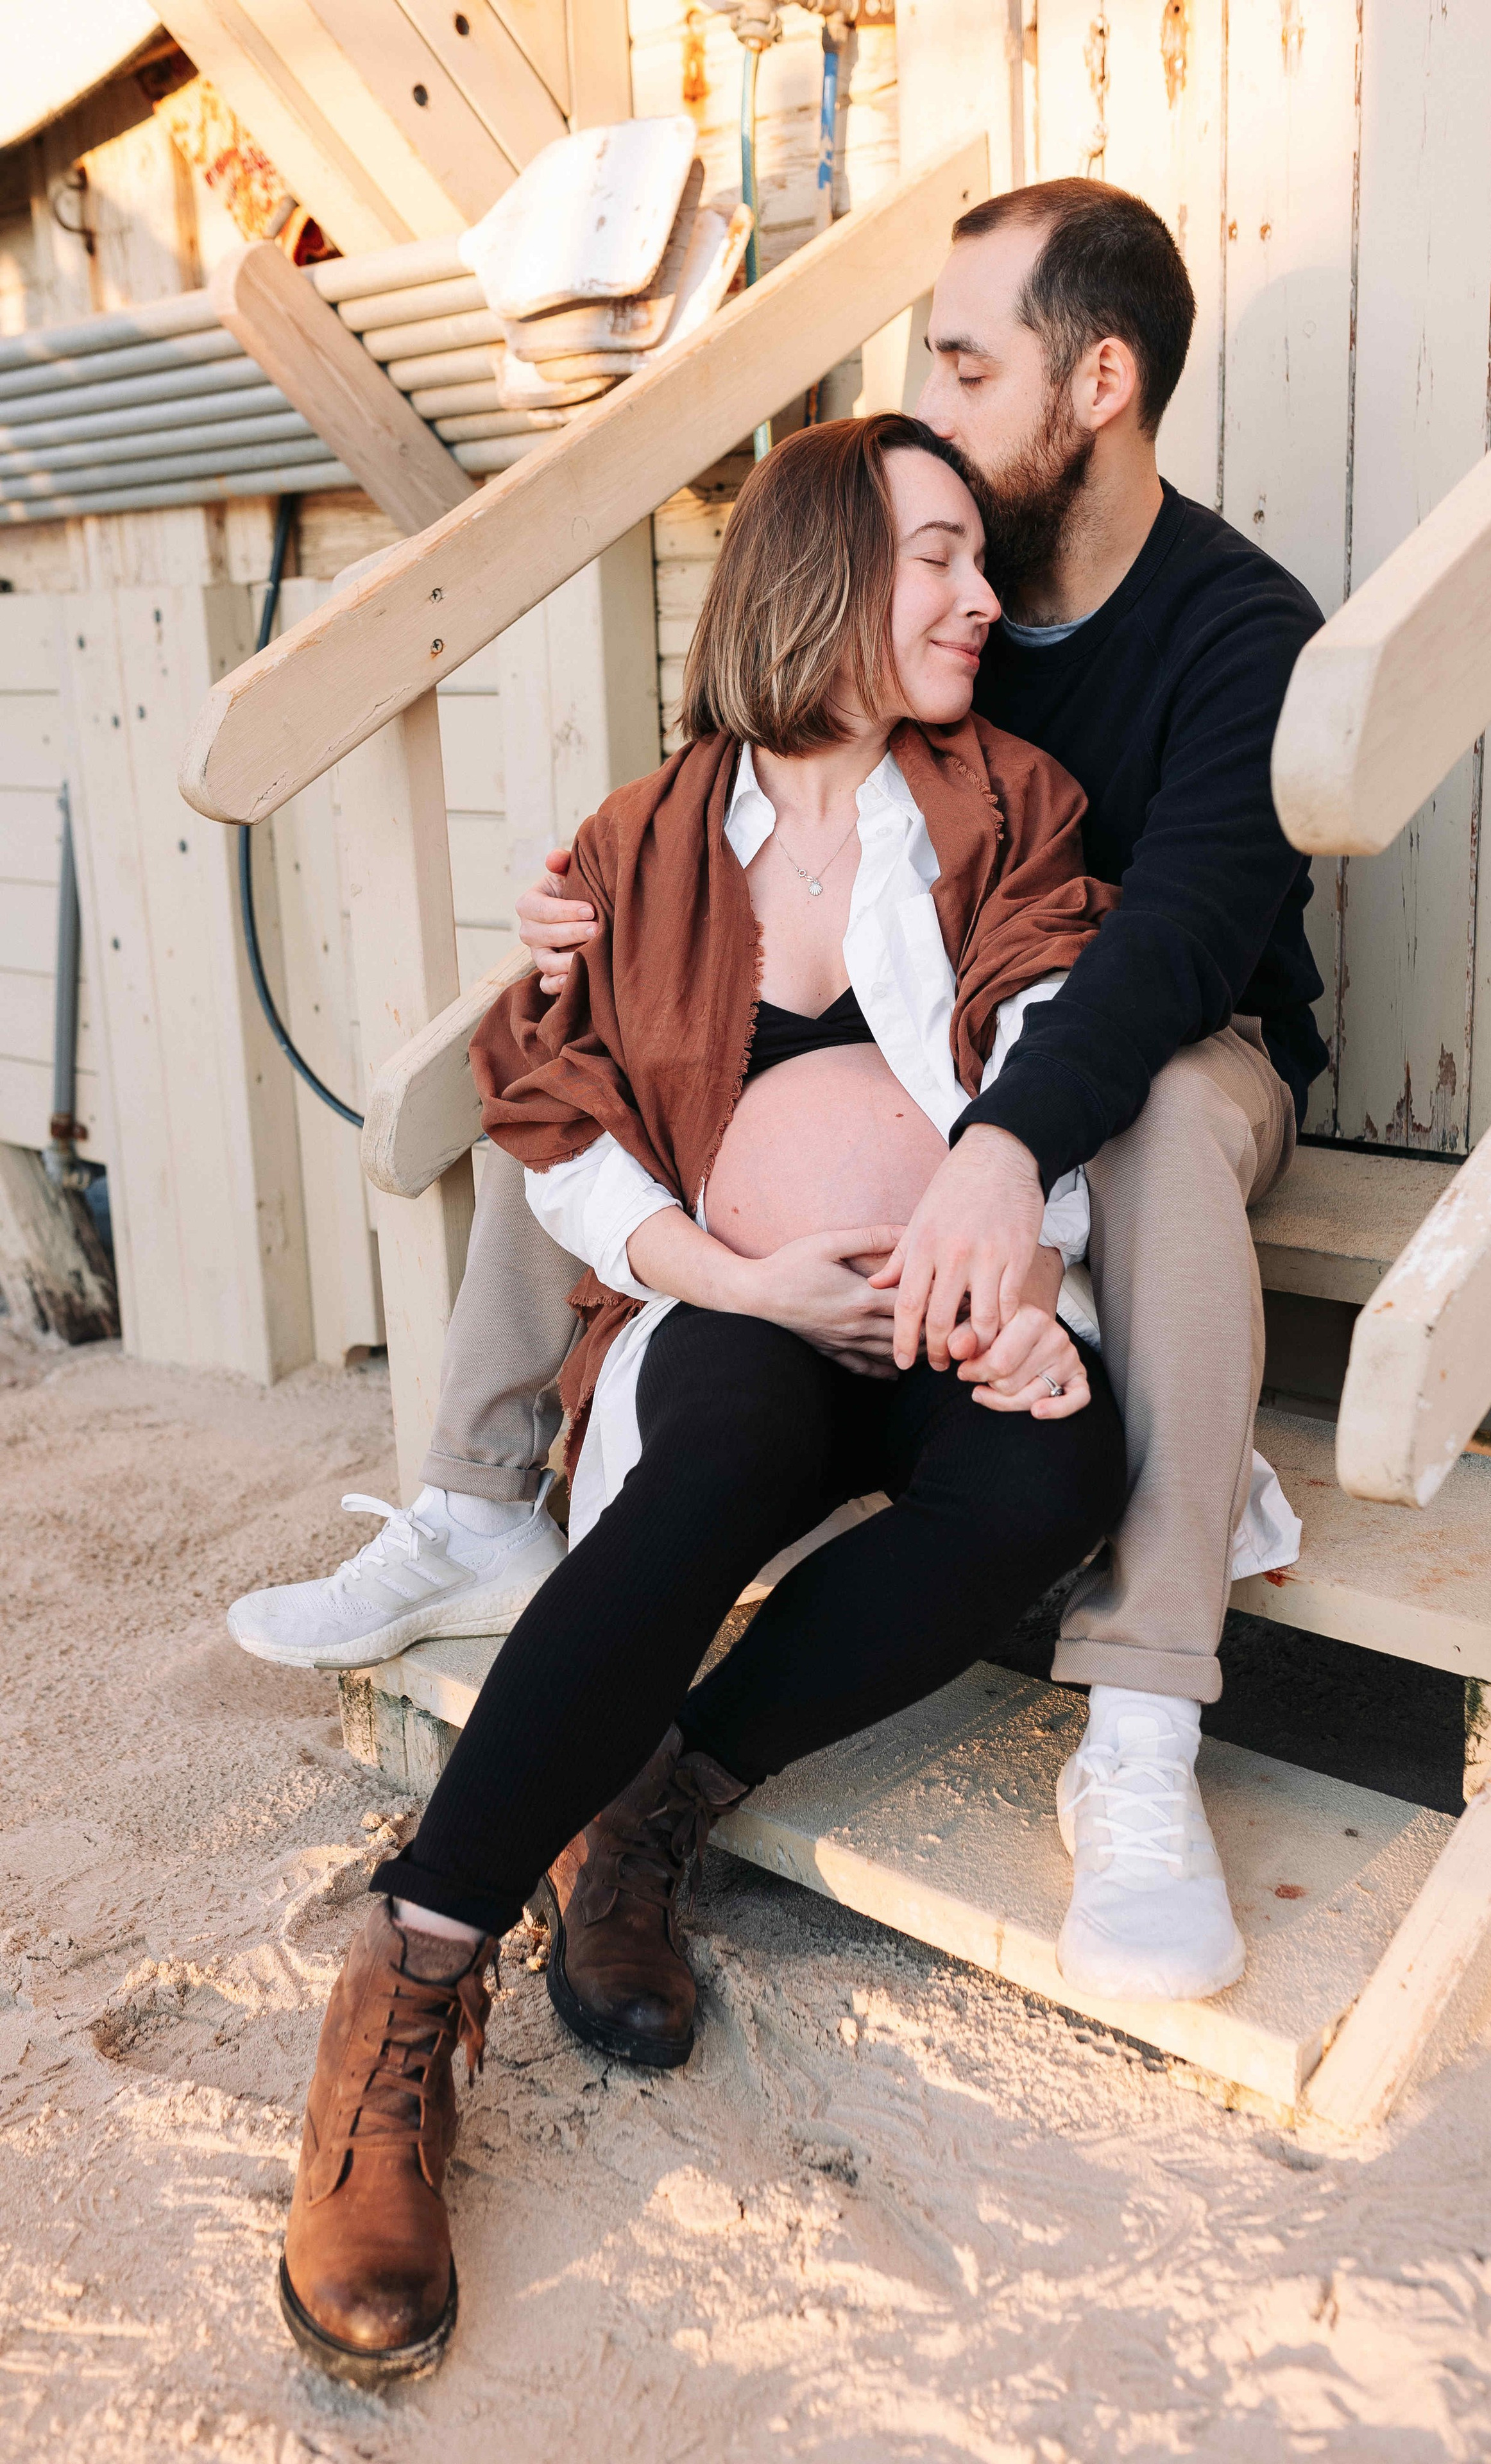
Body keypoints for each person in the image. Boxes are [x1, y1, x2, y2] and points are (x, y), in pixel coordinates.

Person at [232, 175, 1324, 2012]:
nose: (931, 403)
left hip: (1167, 1041)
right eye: (925, 549)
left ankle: (1140, 1716)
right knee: (581, 1016)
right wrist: (591, 934)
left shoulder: (1227, 632)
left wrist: (1016, 1199)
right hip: (818, 1231)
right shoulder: (914, 639)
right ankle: (475, 1523)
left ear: (1100, 382)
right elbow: (739, 840)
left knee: (1123, 1134)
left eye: (965, 365)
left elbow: (1163, 944)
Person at [276, 415, 1130, 2386]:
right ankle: (412, 1971)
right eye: (936, 557)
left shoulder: (1010, 800)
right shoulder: (639, 843)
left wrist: (1023, 1270)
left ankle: (660, 1803)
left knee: (1055, 1468)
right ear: (820, 574)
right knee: (731, 1439)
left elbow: (1058, 1035)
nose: (983, 597)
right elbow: (558, 1121)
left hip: (941, 1301)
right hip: (727, 1305)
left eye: (982, 558)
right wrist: (737, 1276)